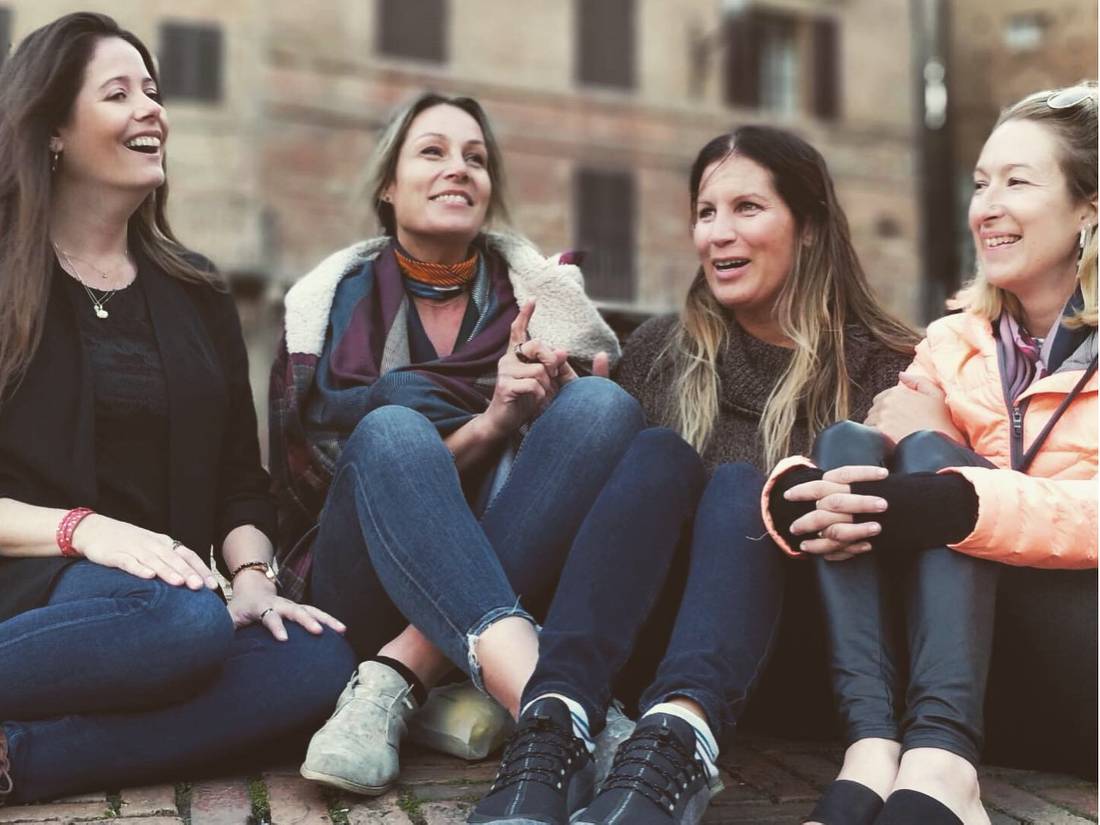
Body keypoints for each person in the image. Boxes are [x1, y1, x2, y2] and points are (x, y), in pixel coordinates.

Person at [464, 125, 918, 825]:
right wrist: (548, 415)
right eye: (706, 212)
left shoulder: (891, 365)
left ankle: (686, 742)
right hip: (646, 661)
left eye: (747, 208)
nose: (717, 234)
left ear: (809, 227)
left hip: (798, 657)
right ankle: (557, 725)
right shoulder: (658, 351)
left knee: (745, 487)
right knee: (656, 454)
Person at [0, 13, 355, 805]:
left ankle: (23, 757)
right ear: (54, 129)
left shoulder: (197, 292)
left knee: (320, 661)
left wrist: (255, 576)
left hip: (162, 601)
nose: (151, 110)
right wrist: (83, 529)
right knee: (179, 624)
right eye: (119, 93)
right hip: (33, 587)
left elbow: (238, 477)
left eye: (154, 92)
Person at [269, 91, 648, 798]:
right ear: (388, 185)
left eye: (476, 159)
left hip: (513, 559)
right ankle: (560, 699)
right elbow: (325, 486)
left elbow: (566, 480)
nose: (460, 170)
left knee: (601, 406)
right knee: (390, 431)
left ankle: (399, 674)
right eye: (433, 151)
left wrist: (545, 403)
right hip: (364, 576)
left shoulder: (542, 308)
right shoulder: (323, 313)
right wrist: (493, 422)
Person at [764, 82, 1098, 825]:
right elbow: (879, 459)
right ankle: (877, 747)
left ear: (1090, 207)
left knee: (937, 467)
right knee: (852, 442)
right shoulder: (953, 341)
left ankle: (944, 760)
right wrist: (797, 497)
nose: (987, 206)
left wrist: (959, 492)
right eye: (981, 184)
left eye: (1018, 181)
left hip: (1088, 656)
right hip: (986, 659)